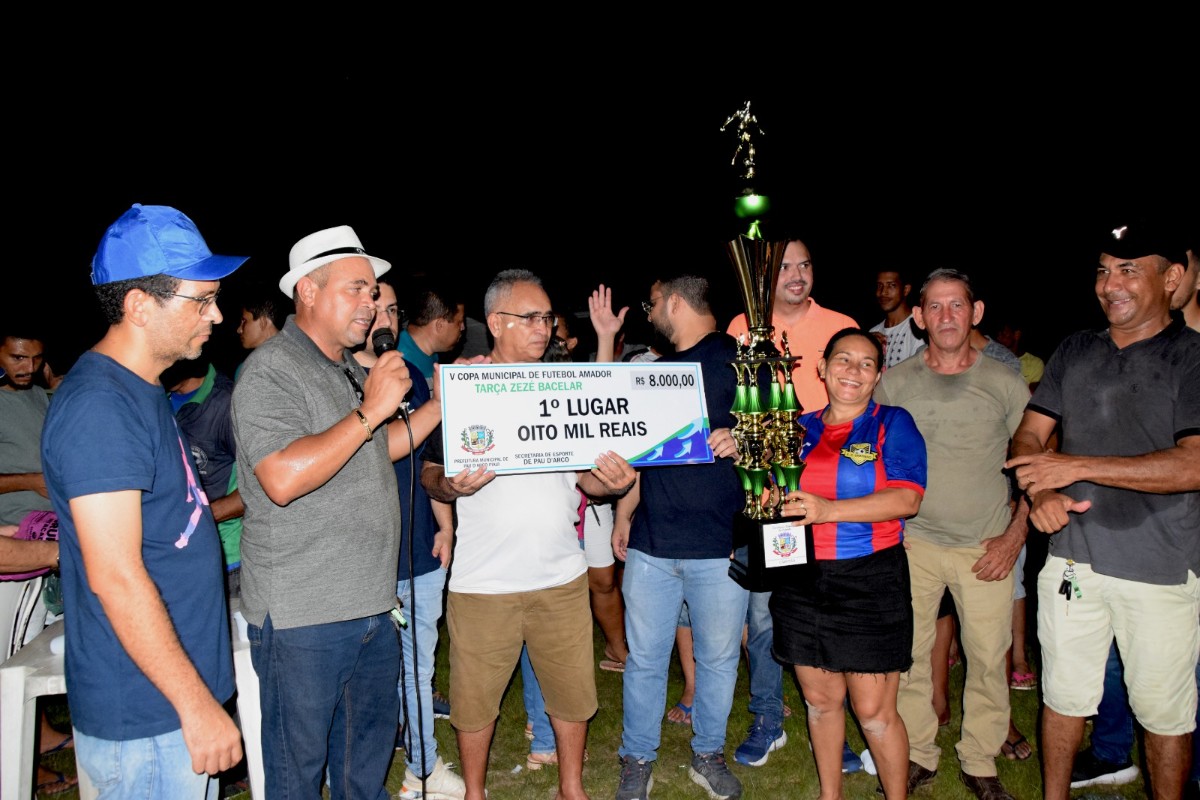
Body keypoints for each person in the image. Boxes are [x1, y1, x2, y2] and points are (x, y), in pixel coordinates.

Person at [40, 203, 245, 797]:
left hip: (169, 702)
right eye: (201, 300)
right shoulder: (100, 408)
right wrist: (195, 705)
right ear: (138, 305)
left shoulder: (139, 389)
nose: (218, 314)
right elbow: (116, 576)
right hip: (149, 714)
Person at [421, 268, 636, 800]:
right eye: (530, 318)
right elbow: (427, 471)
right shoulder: (464, 387)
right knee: (473, 703)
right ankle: (475, 791)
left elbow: (582, 476)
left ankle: (571, 788)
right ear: (495, 322)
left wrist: (610, 483)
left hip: (561, 576)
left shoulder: (563, 386)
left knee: (571, 694)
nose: (544, 328)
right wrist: (450, 484)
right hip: (482, 582)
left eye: (547, 318)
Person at [1006, 220, 1200, 800]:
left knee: (1164, 711)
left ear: (1171, 278)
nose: (1108, 284)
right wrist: (1040, 493)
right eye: (1102, 270)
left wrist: (1076, 466)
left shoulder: (1190, 356)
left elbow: (1193, 465)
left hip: (1161, 566)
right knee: (1063, 697)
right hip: (1074, 560)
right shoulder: (1075, 349)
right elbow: (1027, 437)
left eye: (1127, 270)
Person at [232, 224, 415, 800]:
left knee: (364, 768)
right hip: (303, 618)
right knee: (297, 776)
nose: (373, 304)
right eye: (357, 289)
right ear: (307, 291)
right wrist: (370, 411)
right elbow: (283, 478)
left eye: (374, 290)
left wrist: (451, 402)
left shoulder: (345, 367)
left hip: (369, 604)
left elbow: (368, 450)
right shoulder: (272, 369)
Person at [874, 268, 1031, 800]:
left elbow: (1036, 463)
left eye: (956, 306)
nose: (946, 317)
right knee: (912, 655)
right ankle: (918, 753)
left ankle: (980, 759)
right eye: (935, 307)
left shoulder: (1005, 382)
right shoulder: (894, 383)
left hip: (985, 545)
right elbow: (871, 457)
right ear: (918, 318)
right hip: (912, 544)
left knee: (989, 657)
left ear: (975, 312)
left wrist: (1015, 535)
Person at [770, 327, 927, 799]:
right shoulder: (798, 429)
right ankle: (829, 795)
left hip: (870, 580)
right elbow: (778, 495)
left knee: (875, 714)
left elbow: (907, 499)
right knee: (820, 703)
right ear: (822, 367)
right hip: (801, 580)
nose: (852, 371)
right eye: (843, 360)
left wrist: (828, 510)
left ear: (878, 375)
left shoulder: (892, 423)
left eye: (865, 363)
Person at [725, 237, 859, 771]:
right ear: (763, 274)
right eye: (785, 267)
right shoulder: (739, 328)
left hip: (825, 493)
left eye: (805, 264)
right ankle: (768, 717)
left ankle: (835, 728)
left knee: (827, 610)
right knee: (763, 616)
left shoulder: (839, 323)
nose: (797, 274)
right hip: (764, 493)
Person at [615, 274, 747, 800]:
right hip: (652, 545)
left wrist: (744, 437)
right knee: (644, 659)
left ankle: (708, 753)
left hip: (721, 545)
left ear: (674, 302)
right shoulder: (655, 372)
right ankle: (637, 758)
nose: (652, 316)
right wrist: (625, 513)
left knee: (718, 660)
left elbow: (788, 434)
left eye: (653, 306)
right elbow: (640, 454)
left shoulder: (743, 360)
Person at [352, 277, 463, 799]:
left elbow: (426, 463)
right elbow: (377, 452)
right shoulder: (343, 382)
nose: (385, 320)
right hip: (364, 558)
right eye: (374, 307)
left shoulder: (413, 381)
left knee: (419, 667)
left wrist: (445, 525)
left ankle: (421, 765)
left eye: (392, 309)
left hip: (418, 551)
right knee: (371, 679)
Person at [164, 359, 244, 599]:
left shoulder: (227, 403)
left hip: (227, 559)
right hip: (176, 559)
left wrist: (195, 518)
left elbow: (259, 490)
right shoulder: (156, 398)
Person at [399, 281, 466, 382]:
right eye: (459, 322)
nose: (463, 327)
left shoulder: (429, 355)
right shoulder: (400, 362)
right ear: (440, 325)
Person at [870, 269, 923, 368]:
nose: (883, 292)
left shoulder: (919, 328)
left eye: (891, 285)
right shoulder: (873, 332)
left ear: (906, 290)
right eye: (879, 285)